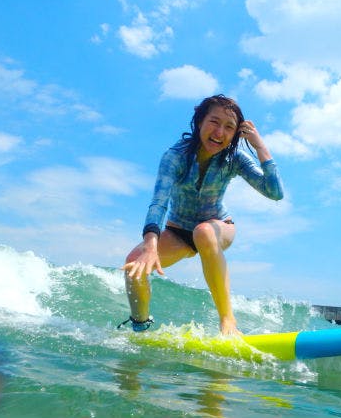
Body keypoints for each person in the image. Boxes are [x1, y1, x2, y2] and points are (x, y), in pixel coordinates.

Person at [120, 95, 284, 335]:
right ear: (199, 123)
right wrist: (150, 244)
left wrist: (260, 147)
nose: (219, 132)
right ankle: (141, 326)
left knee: (204, 232)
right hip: (178, 232)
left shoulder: (234, 159)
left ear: (236, 134)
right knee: (133, 265)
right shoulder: (176, 156)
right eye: (214, 122)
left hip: (218, 227)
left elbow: (275, 192)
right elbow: (159, 202)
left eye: (229, 127)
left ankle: (228, 321)